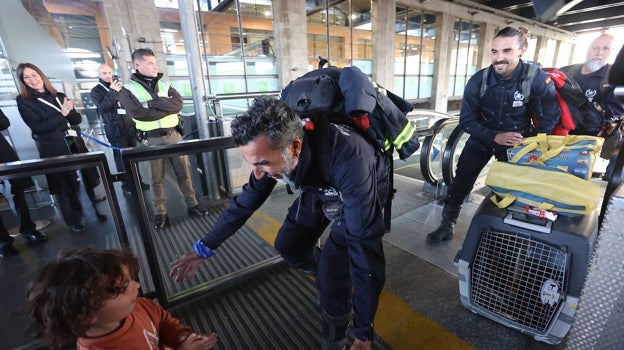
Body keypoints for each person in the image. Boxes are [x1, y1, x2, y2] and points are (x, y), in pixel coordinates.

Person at [170, 95, 391, 350]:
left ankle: (336, 333)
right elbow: (245, 203)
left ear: (294, 147)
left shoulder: (351, 159)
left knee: (334, 278)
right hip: (317, 183)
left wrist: (364, 334)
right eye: (252, 163)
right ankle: (333, 284)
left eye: (262, 163)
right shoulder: (273, 153)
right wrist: (203, 248)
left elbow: (365, 249)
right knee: (288, 245)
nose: (257, 173)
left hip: (359, 189)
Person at [426, 27, 561, 242]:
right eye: (495, 51)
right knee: (461, 182)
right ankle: (446, 225)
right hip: (482, 138)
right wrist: (494, 136)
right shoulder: (479, 81)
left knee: (511, 190)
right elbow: (467, 121)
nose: (499, 58)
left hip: (516, 142)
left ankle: (504, 235)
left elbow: (551, 115)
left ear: (522, 50)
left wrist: (528, 141)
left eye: (507, 51)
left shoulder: (534, 79)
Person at [26, 247, 218, 349]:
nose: (137, 286)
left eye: (130, 280)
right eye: (122, 289)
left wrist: (180, 336)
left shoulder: (139, 306)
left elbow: (162, 321)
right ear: (87, 315)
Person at [118, 48, 207, 230]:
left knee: (184, 173)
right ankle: (160, 213)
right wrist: (164, 106)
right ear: (137, 65)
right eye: (150, 63)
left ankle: (193, 204)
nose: (154, 66)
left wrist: (151, 104)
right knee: (155, 179)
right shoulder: (127, 89)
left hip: (173, 135)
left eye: (155, 62)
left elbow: (178, 104)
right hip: (149, 140)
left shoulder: (165, 84)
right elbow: (138, 113)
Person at [15, 62, 88, 232]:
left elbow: (76, 120)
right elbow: (37, 127)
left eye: (34, 75)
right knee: (61, 185)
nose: (32, 80)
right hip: (52, 148)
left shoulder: (59, 95)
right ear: (23, 81)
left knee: (75, 180)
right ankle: (73, 221)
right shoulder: (24, 101)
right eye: (26, 77)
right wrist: (61, 114)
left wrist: (69, 111)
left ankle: (81, 212)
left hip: (70, 142)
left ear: (41, 75)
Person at [560, 34, 624, 180]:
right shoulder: (566, 71)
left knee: (576, 180)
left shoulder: (615, 77)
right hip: (559, 138)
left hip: (589, 142)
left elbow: (616, 110)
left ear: (612, 52)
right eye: (595, 48)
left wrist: (599, 110)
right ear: (587, 49)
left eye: (605, 49)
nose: (599, 52)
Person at [90, 64, 149, 194]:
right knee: (120, 159)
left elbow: (129, 103)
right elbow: (103, 107)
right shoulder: (96, 91)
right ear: (99, 75)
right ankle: (126, 183)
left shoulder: (120, 87)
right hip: (115, 130)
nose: (107, 75)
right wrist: (112, 91)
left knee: (133, 156)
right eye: (104, 73)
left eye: (109, 72)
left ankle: (138, 180)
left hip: (128, 127)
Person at [0, 108, 48, 258]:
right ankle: (3, 243)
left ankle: (28, 230)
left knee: (17, 194)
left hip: (2, 156)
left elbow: (4, 122)